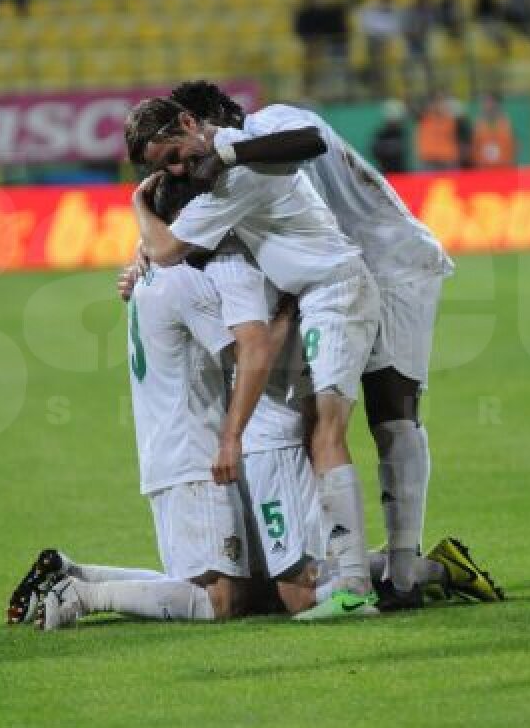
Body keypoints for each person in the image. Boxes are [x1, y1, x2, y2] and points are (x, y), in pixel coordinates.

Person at [164, 81, 455, 604]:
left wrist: (225, 148)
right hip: (338, 280)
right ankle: (372, 570)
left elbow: (306, 144)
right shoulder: (241, 172)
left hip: (394, 263)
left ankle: (404, 572)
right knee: (330, 423)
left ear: (198, 122)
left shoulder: (270, 123)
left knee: (392, 414)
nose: (185, 170)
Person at [124, 97, 383, 618]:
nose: (178, 168)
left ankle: (358, 585)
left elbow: (171, 250)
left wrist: (142, 210)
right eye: (166, 167)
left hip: (334, 290)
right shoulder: (222, 203)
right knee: (285, 582)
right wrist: (140, 257)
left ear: (192, 123)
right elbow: (167, 248)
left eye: (174, 154)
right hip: (316, 301)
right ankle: (400, 569)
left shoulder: (234, 183)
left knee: (327, 434)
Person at [9, 186, 251, 628]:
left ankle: (72, 574)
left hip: (169, 452)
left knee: (197, 582)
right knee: (218, 599)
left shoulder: (151, 278)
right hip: (196, 455)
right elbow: (248, 356)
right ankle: (82, 596)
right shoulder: (185, 282)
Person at [470, 94, 516, 169]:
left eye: (490, 102)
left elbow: (513, 144)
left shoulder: (505, 123)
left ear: (496, 104)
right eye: (485, 102)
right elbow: (474, 145)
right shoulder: (478, 124)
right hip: (483, 167)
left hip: (504, 166)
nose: (487, 105)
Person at [372, 98, 410, 173]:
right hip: (385, 172)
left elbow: (401, 151)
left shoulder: (401, 133)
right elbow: (375, 150)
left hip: (399, 172)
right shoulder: (381, 134)